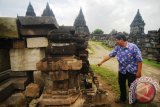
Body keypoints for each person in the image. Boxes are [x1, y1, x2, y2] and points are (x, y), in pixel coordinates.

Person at [97, 34, 142, 103]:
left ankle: (133, 99)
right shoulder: (117, 47)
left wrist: (139, 72)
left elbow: (139, 60)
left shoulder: (133, 47)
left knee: (132, 85)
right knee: (121, 84)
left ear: (121, 39)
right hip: (122, 70)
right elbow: (110, 55)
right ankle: (122, 98)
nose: (116, 41)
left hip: (132, 71)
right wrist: (101, 62)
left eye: (117, 40)